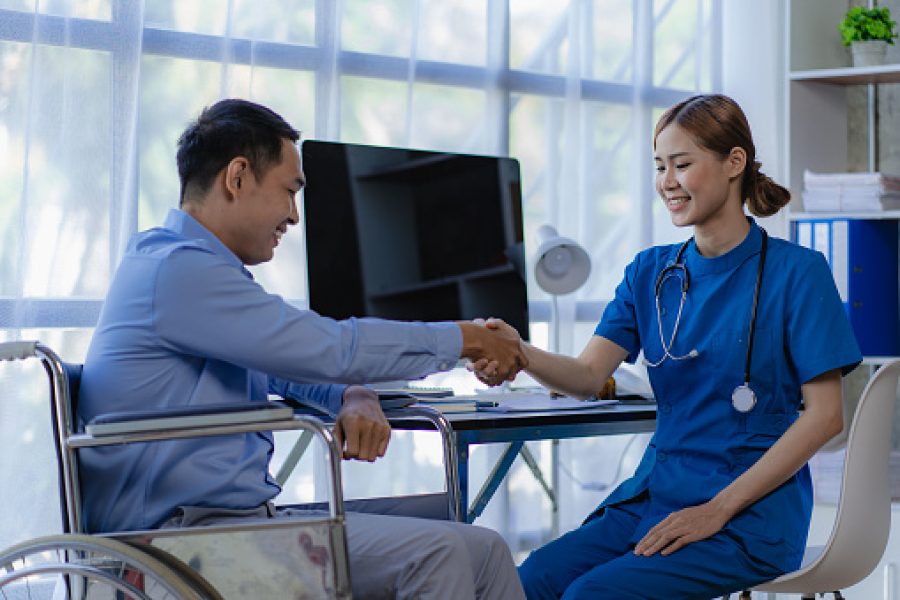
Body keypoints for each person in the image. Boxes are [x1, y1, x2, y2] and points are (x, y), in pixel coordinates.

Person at [77, 98, 526, 600]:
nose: (294, 215)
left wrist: (354, 394)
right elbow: (329, 347)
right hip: (171, 546)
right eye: (289, 192)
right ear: (238, 177)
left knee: (484, 550)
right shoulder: (177, 272)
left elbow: (295, 369)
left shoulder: (203, 274)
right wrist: (465, 338)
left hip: (234, 528)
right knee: (437, 554)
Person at [474, 94, 862, 598]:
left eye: (682, 164)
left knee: (591, 595)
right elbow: (590, 376)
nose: (667, 183)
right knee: (527, 582)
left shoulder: (797, 273)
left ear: (734, 163)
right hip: (656, 496)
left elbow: (826, 416)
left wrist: (717, 509)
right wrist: (521, 352)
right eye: (659, 167)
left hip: (750, 516)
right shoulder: (650, 273)